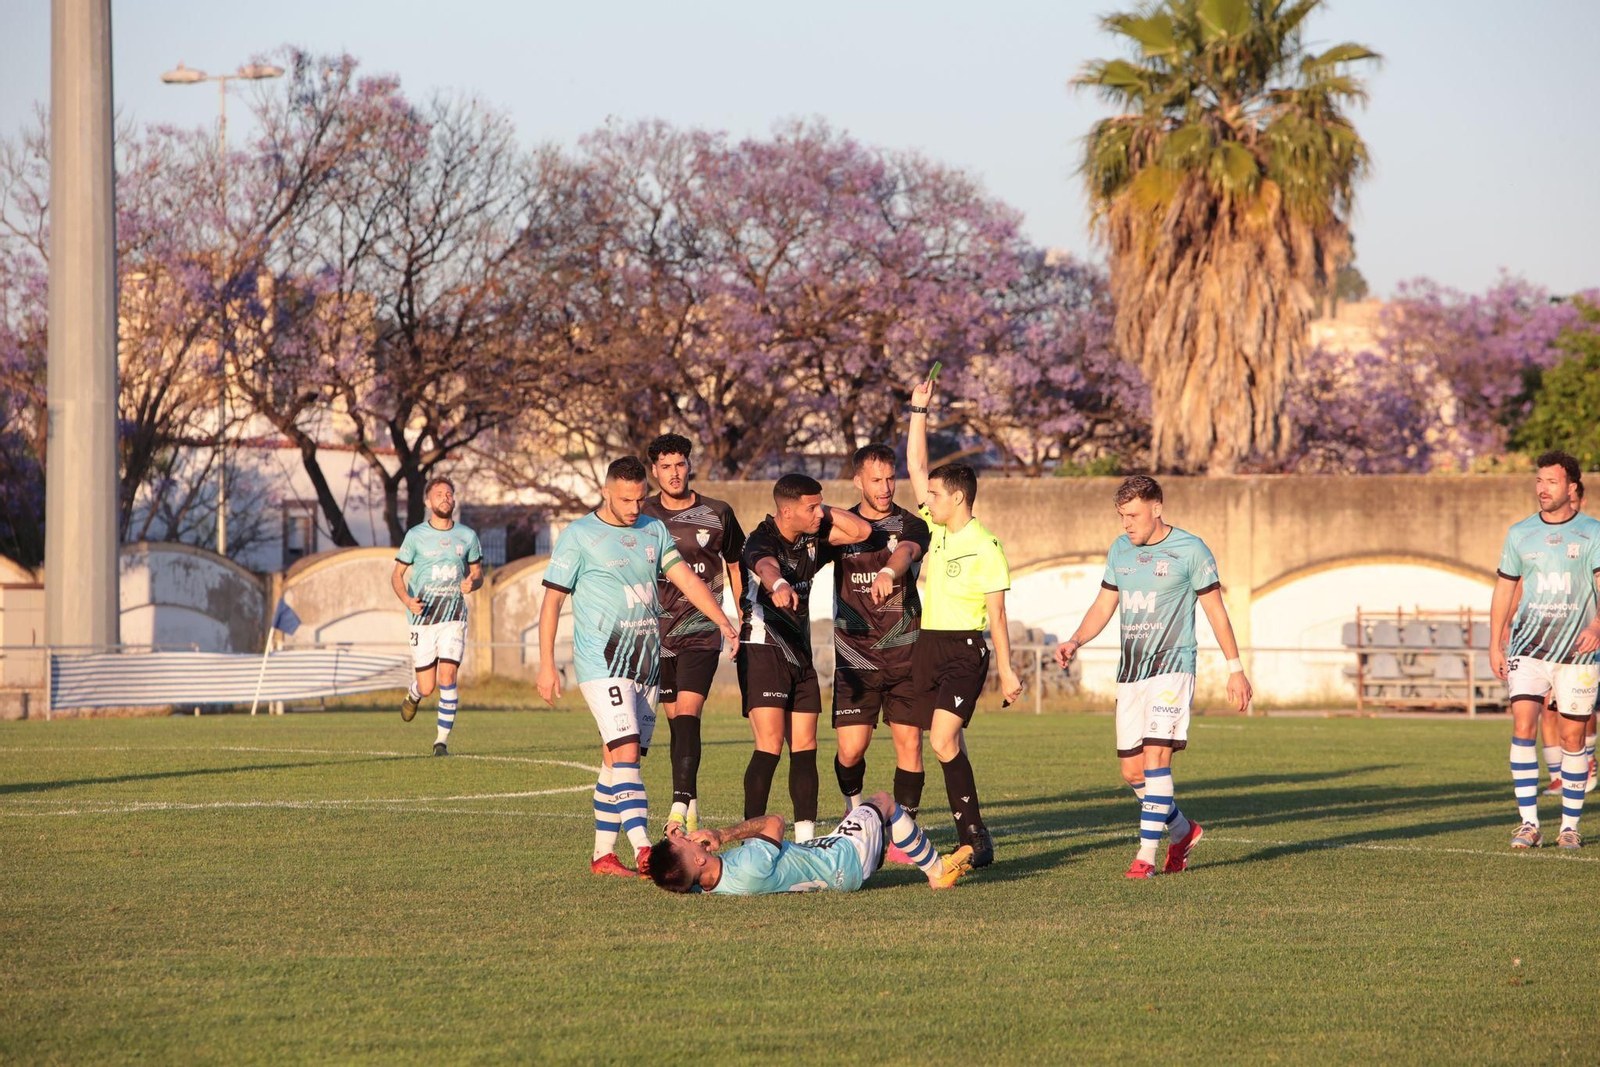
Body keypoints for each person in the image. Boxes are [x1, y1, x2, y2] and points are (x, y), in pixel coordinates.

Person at [537, 457, 740, 877]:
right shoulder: (579, 536)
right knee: (627, 751)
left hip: (646, 662)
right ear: (607, 492)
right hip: (601, 661)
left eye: (639, 498)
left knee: (618, 760)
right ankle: (645, 849)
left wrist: (723, 620)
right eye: (626, 499)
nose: (634, 507)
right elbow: (552, 601)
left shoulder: (653, 529)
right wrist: (545, 664)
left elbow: (685, 578)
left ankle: (602, 855)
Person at [1055, 475, 1253, 879]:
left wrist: (1236, 669)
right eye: (1121, 516)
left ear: (1156, 508)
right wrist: (1076, 640)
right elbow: (1104, 603)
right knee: (1131, 772)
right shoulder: (1120, 550)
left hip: (1172, 667)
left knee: (1156, 760)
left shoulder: (1191, 550)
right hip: (1131, 672)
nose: (1126, 524)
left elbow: (1216, 610)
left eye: (1132, 514)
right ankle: (1182, 831)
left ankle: (1145, 856)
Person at [905, 376, 1023, 869]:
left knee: (941, 740)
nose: (925, 497)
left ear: (956, 498)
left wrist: (1009, 669)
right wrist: (918, 411)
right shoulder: (936, 528)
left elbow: (997, 612)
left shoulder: (987, 545)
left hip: (963, 651)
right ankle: (950, 833)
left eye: (934, 493)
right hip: (926, 646)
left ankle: (973, 837)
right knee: (927, 741)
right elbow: (914, 466)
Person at [738, 474, 873, 842]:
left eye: (819, 506)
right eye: (810, 507)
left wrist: (820, 508)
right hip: (762, 649)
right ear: (786, 510)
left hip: (801, 653)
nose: (818, 514)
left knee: (806, 746)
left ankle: (805, 840)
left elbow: (861, 531)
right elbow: (764, 566)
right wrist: (778, 584)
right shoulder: (760, 539)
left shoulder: (814, 539)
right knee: (770, 743)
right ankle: (754, 839)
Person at [1488, 450, 1600, 850]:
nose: (1542, 488)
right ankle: (1528, 823)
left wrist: (1598, 624)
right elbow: (1505, 589)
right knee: (1523, 724)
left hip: (1578, 653)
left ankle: (1569, 825)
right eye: (1539, 481)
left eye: (1551, 482)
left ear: (1572, 487)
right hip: (1528, 646)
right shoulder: (1520, 533)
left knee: (1573, 738)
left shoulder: (1594, 532)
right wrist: (1494, 640)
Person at [828, 443, 933, 861]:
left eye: (891, 478)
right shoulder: (840, 530)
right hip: (855, 659)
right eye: (877, 480)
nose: (886, 487)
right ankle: (855, 816)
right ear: (858, 481)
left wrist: (891, 569)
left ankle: (903, 835)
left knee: (910, 743)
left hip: (907, 654)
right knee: (852, 749)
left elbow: (907, 551)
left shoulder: (912, 524)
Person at [640, 433, 747, 833]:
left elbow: (736, 566)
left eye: (679, 464)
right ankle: (692, 804)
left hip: (702, 630)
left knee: (689, 714)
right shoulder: (644, 516)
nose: (673, 473)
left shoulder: (718, 513)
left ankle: (676, 812)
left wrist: (739, 615)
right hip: (656, 633)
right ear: (654, 471)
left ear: (689, 465)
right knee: (677, 724)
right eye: (665, 467)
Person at [645, 791, 972, 894]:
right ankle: (937, 870)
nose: (691, 837)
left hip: (832, 852)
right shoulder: (747, 868)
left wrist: (666, 858)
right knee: (884, 801)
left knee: (870, 817)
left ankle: (886, 842)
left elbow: (679, 874)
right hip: (844, 859)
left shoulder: (704, 884)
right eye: (688, 843)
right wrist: (723, 835)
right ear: (700, 860)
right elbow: (775, 822)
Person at [393, 477, 484, 756]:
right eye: (439, 494)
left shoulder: (467, 536)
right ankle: (414, 693)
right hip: (423, 619)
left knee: (448, 676)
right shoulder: (415, 536)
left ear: (454, 500)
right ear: (427, 501)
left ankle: (441, 742)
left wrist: (473, 582)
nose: (445, 497)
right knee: (427, 685)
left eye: (449, 494)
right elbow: (397, 576)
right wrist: (408, 600)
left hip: (453, 616)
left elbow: (478, 573)